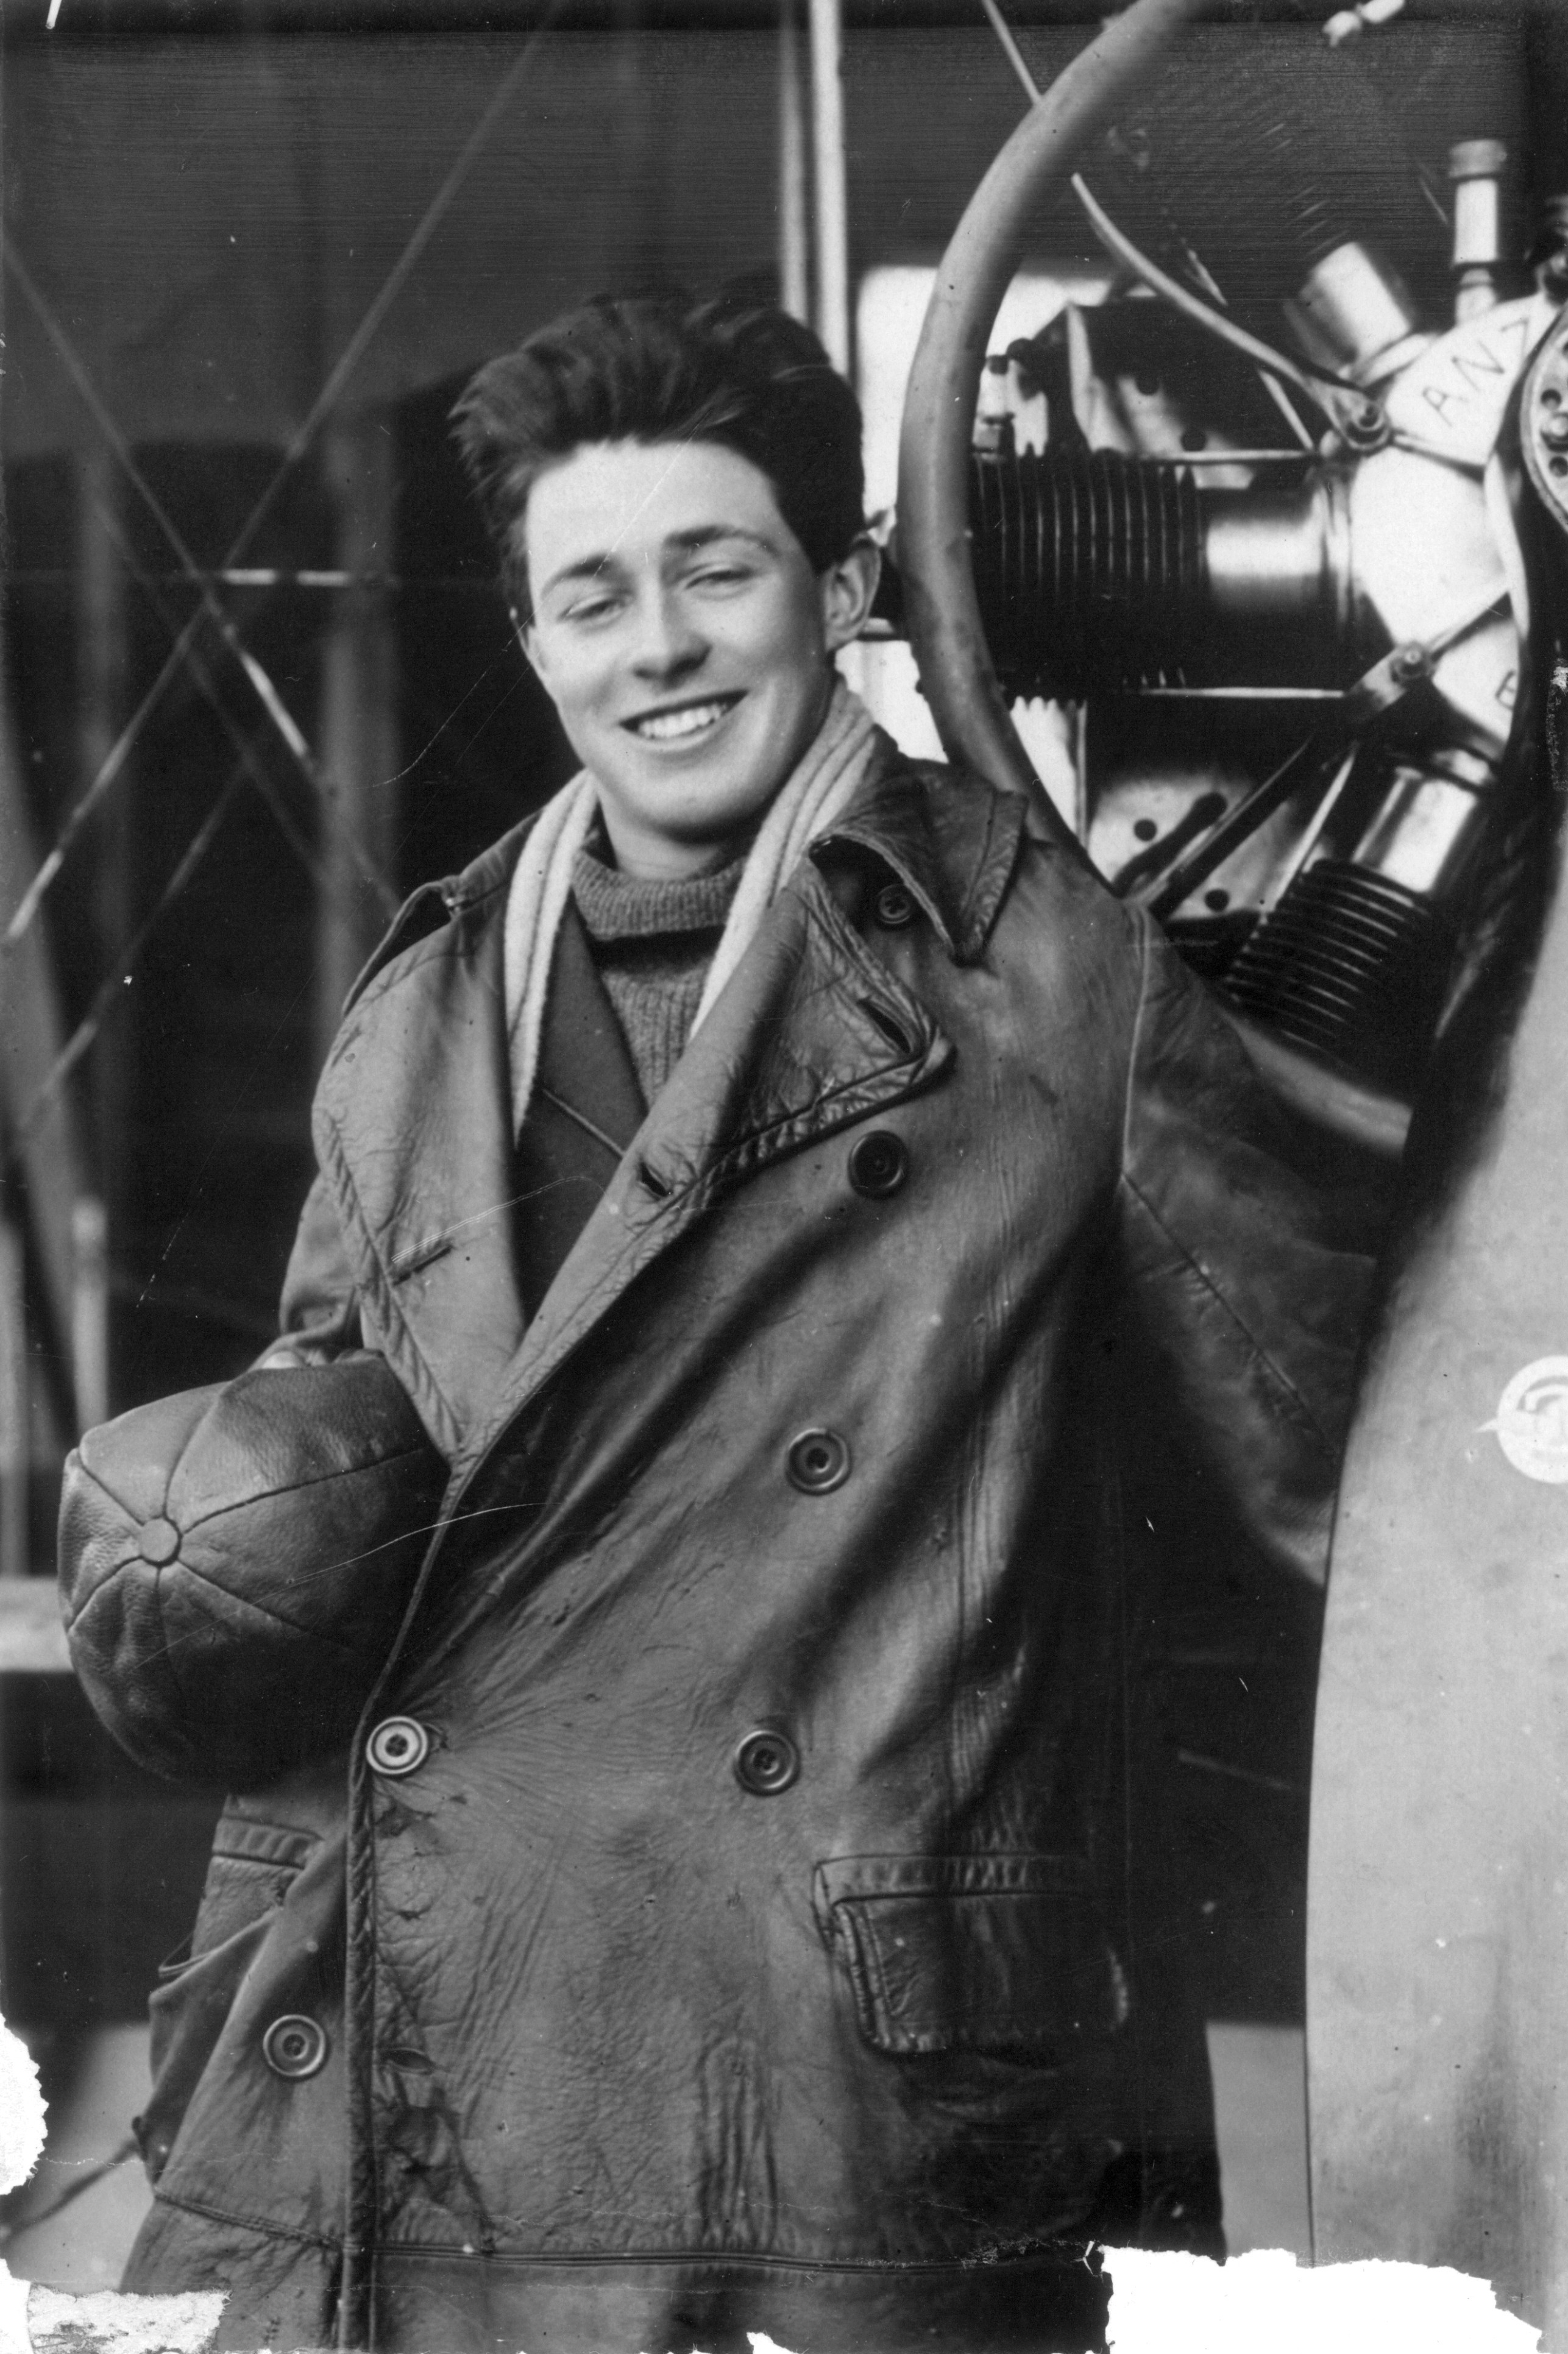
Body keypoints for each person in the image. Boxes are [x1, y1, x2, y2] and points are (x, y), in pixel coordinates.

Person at [110, 289, 1372, 2353]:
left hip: (823, 2101)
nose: (660, 648)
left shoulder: (1054, 978)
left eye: (716, 571)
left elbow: (1332, 1500)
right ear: (531, 643)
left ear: (846, 586)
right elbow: (344, 1496)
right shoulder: (417, 1013)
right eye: (591, 598)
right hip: (413, 2071)